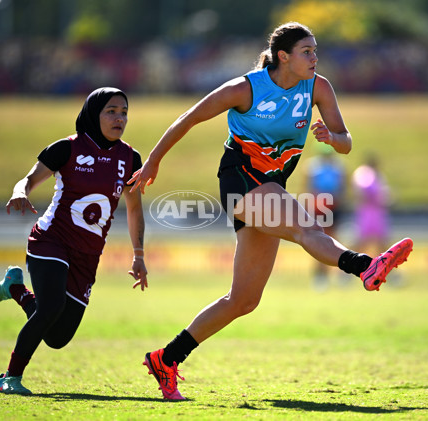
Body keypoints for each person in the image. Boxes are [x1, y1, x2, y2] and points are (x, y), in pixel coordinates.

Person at [129, 22, 413, 400]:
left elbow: (346, 142)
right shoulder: (245, 88)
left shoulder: (318, 87)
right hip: (240, 180)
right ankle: (365, 266)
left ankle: (167, 358)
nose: (314, 58)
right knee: (306, 228)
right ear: (283, 56)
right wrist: (152, 163)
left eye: (315, 51)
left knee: (243, 300)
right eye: (306, 52)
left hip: (271, 188)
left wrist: (333, 138)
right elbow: (190, 117)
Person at [0, 87, 148, 395]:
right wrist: (20, 191)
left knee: (58, 336)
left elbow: (135, 210)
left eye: (124, 112)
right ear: (93, 113)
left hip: (87, 255)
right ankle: (9, 377)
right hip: (51, 241)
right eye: (111, 111)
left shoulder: (130, 158)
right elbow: (29, 179)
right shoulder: (67, 148)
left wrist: (138, 254)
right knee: (51, 307)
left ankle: (16, 289)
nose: (119, 118)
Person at [303, 143, 347, 290]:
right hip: (319, 207)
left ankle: (341, 272)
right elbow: (309, 188)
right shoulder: (313, 167)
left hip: (333, 207)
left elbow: (342, 188)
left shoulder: (338, 168)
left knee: (334, 238)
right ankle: (320, 275)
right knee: (319, 239)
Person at [351, 154, 391, 257]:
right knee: (362, 240)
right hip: (366, 210)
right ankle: (351, 262)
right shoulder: (363, 172)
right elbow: (364, 190)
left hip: (378, 210)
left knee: (382, 240)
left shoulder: (378, 175)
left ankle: (383, 265)